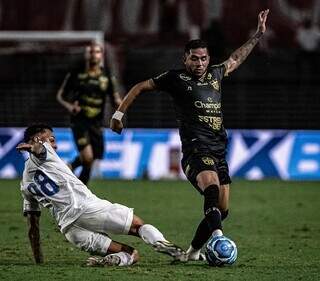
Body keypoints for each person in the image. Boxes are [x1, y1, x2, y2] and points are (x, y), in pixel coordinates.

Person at [110, 10, 269, 261]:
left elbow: (236, 58)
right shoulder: (176, 78)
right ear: (186, 59)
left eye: (204, 58)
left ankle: (192, 252)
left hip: (219, 150)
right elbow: (141, 86)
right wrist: (119, 114)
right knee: (212, 191)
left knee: (222, 209)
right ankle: (217, 236)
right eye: (194, 59)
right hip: (196, 150)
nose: (200, 64)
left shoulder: (216, 74)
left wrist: (257, 35)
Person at [17, 124, 186, 266]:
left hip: (72, 231)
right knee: (138, 226)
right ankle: (163, 244)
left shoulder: (25, 184)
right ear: (36, 140)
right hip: (87, 209)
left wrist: (39, 261)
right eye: (52, 140)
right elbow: (39, 149)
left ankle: (114, 260)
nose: (55, 145)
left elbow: (33, 227)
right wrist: (34, 147)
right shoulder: (44, 150)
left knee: (132, 254)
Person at [56, 42, 122, 185]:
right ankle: (79, 186)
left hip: (96, 123)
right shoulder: (76, 74)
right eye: (91, 52)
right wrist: (69, 106)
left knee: (94, 157)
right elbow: (61, 95)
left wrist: (120, 112)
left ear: (101, 55)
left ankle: (74, 175)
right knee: (87, 157)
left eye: (97, 52)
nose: (94, 55)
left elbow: (115, 98)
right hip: (79, 121)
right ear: (87, 55)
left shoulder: (107, 76)